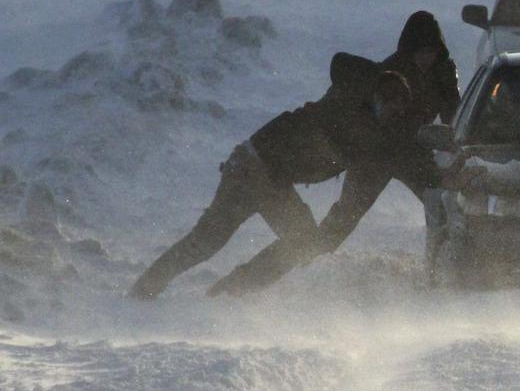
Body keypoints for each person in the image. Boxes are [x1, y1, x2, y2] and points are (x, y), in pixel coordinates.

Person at [205, 12, 462, 295]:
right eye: (420, 51)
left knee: (442, 206)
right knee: (336, 227)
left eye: (431, 51)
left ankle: (448, 273)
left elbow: (455, 119)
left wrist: (450, 111)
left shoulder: (444, 76)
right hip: (374, 158)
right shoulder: (391, 72)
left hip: (409, 154)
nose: (425, 58)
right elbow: (352, 85)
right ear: (408, 50)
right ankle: (256, 280)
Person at [127, 67, 413, 299]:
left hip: (264, 173)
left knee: (297, 241)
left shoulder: (359, 117)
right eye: (390, 106)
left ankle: (222, 292)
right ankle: (178, 291)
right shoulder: (349, 114)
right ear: (377, 98)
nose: (392, 114)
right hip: (254, 170)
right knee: (212, 240)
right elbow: (371, 144)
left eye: (398, 111)